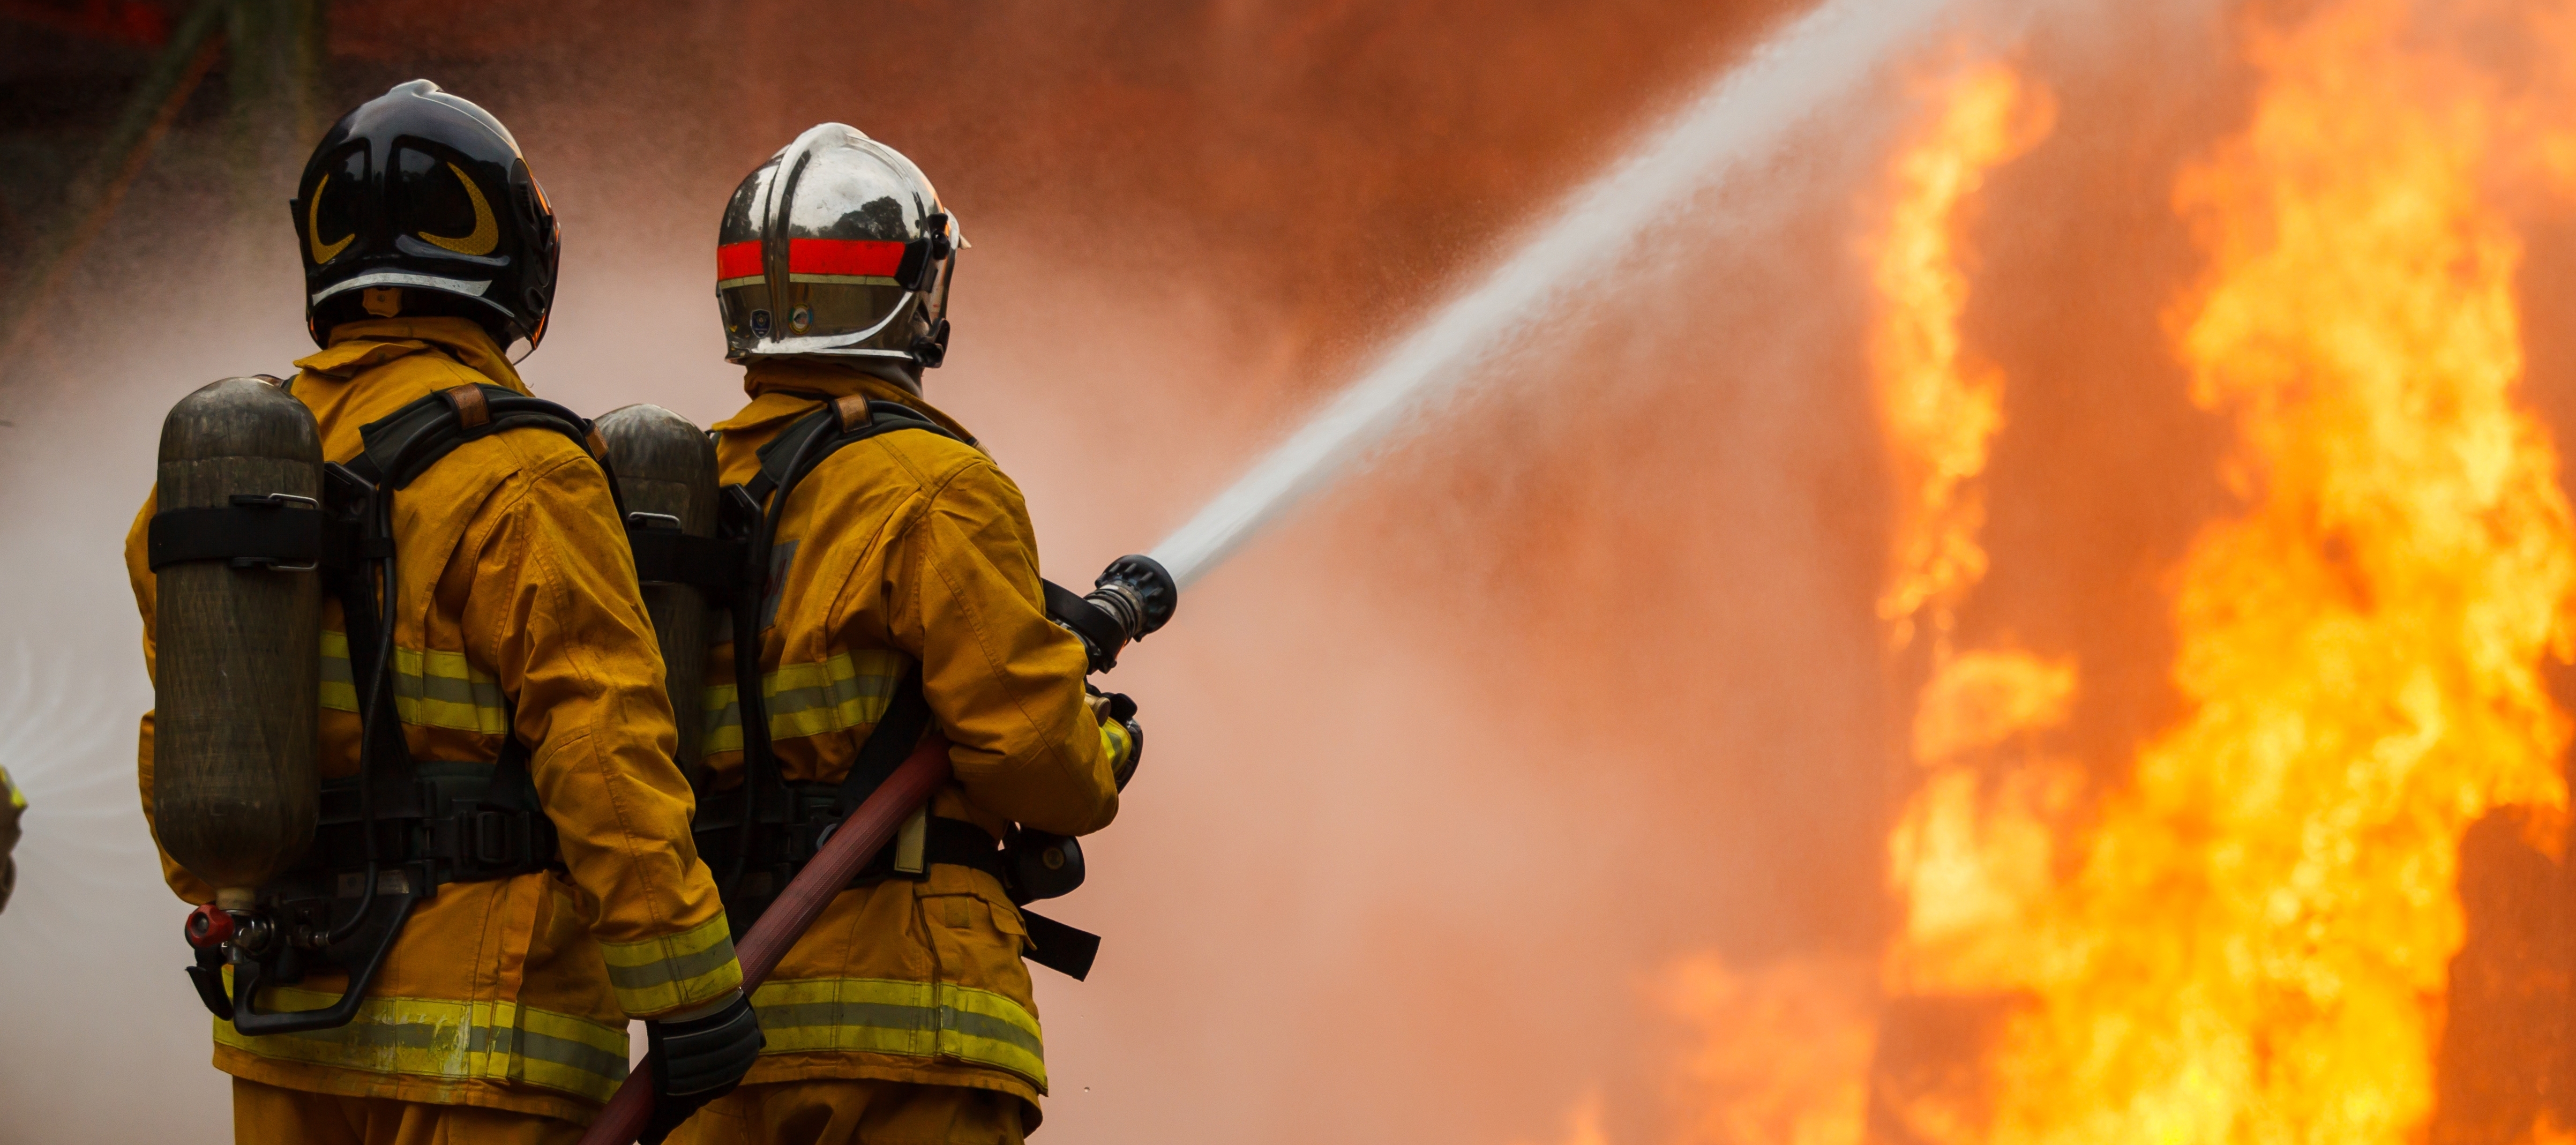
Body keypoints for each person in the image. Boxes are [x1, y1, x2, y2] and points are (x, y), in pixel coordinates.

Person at [124, 80, 759, 1144]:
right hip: (484, 1035)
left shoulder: (223, 469)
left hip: (290, 1015)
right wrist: (690, 991)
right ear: (513, 255)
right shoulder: (525, 473)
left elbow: (184, 735)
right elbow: (603, 742)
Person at [672, 124, 1136, 1145]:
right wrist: (1104, 747)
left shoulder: (693, 492)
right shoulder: (938, 491)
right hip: (910, 1032)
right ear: (912, 288)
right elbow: (1035, 759)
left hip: (721, 1039)